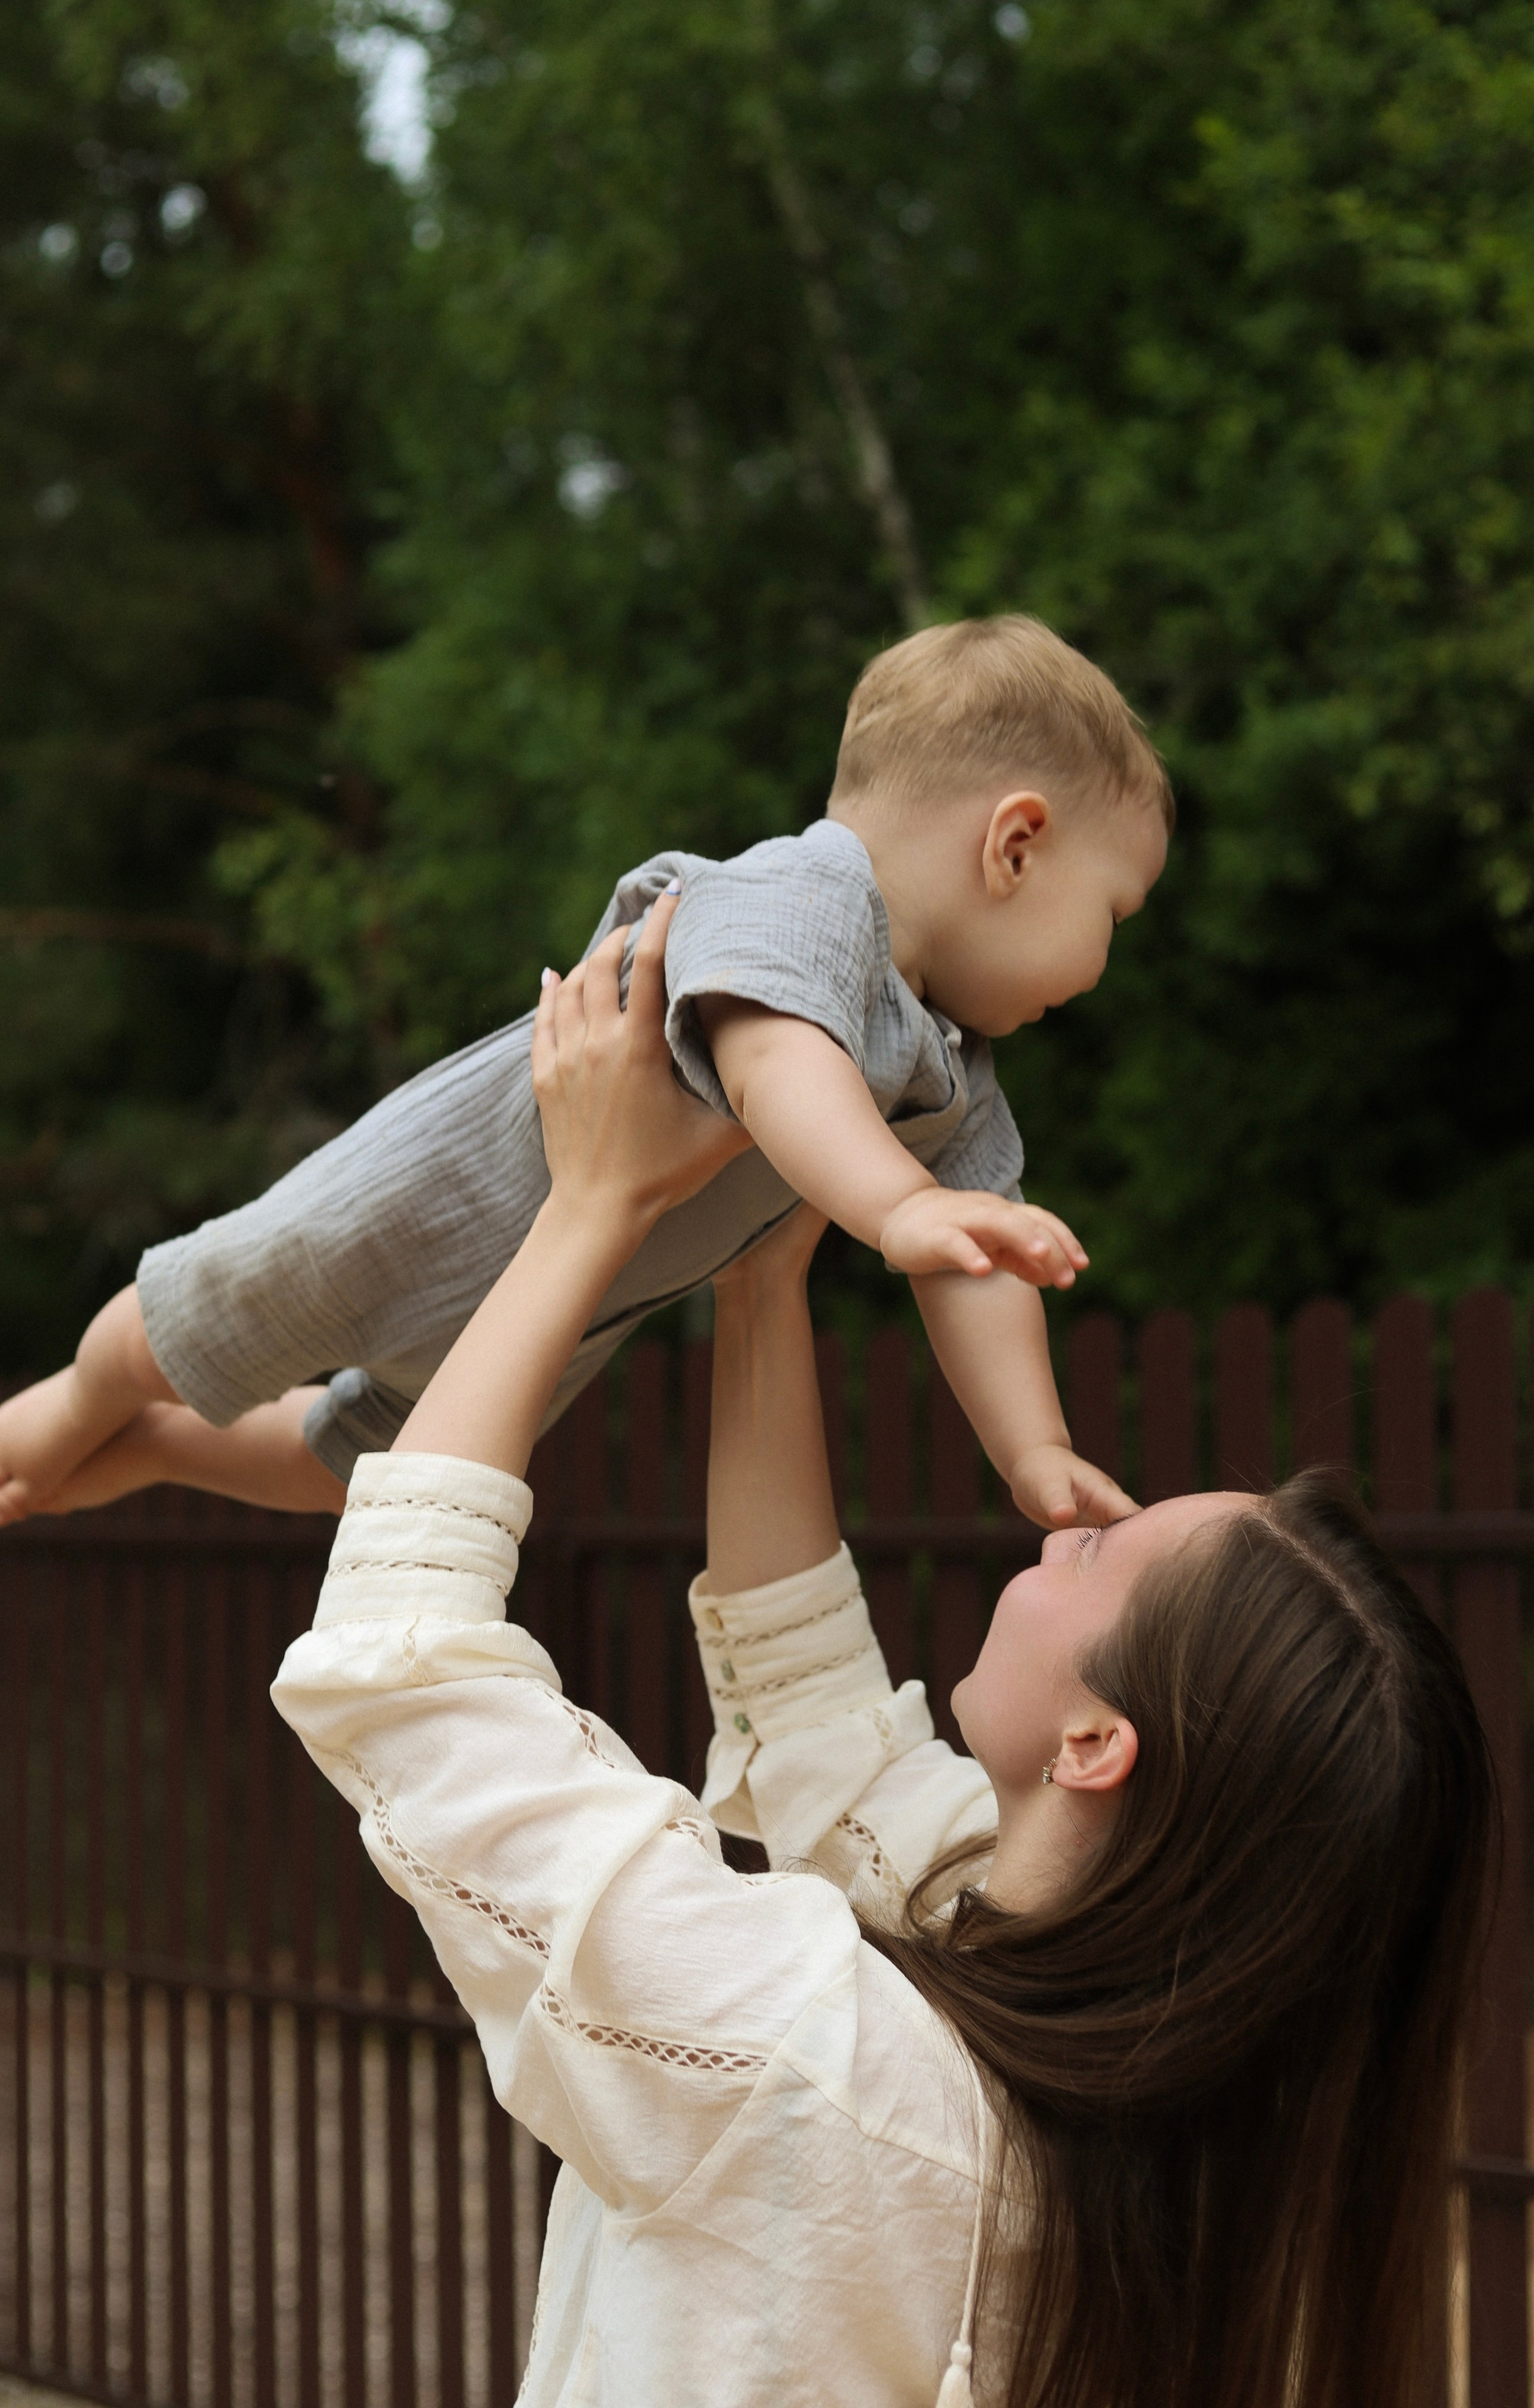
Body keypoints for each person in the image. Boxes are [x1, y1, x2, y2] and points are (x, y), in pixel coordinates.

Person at [272, 897, 1492, 2408]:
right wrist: (754, 1281)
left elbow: (407, 1662)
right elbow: (814, 1728)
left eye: (1100, 1552)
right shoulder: (1131, 2104)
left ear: (1098, 1746)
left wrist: (587, 1208)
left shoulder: (810, 2065)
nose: (1056, 1534)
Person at [0, 615, 1170, 1537]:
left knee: (385, 1479)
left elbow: (984, 1259)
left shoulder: (954, 1065)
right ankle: (83, 1394)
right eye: (1114, 910)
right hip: (437, 1194)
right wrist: (902, 1205)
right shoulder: (810, 894)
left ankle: (173, 1448)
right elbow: (767, 1050)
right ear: (1014, 844)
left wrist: (1032, 1446)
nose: (1107, 959)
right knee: (228, 1294)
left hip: (582, 1288)